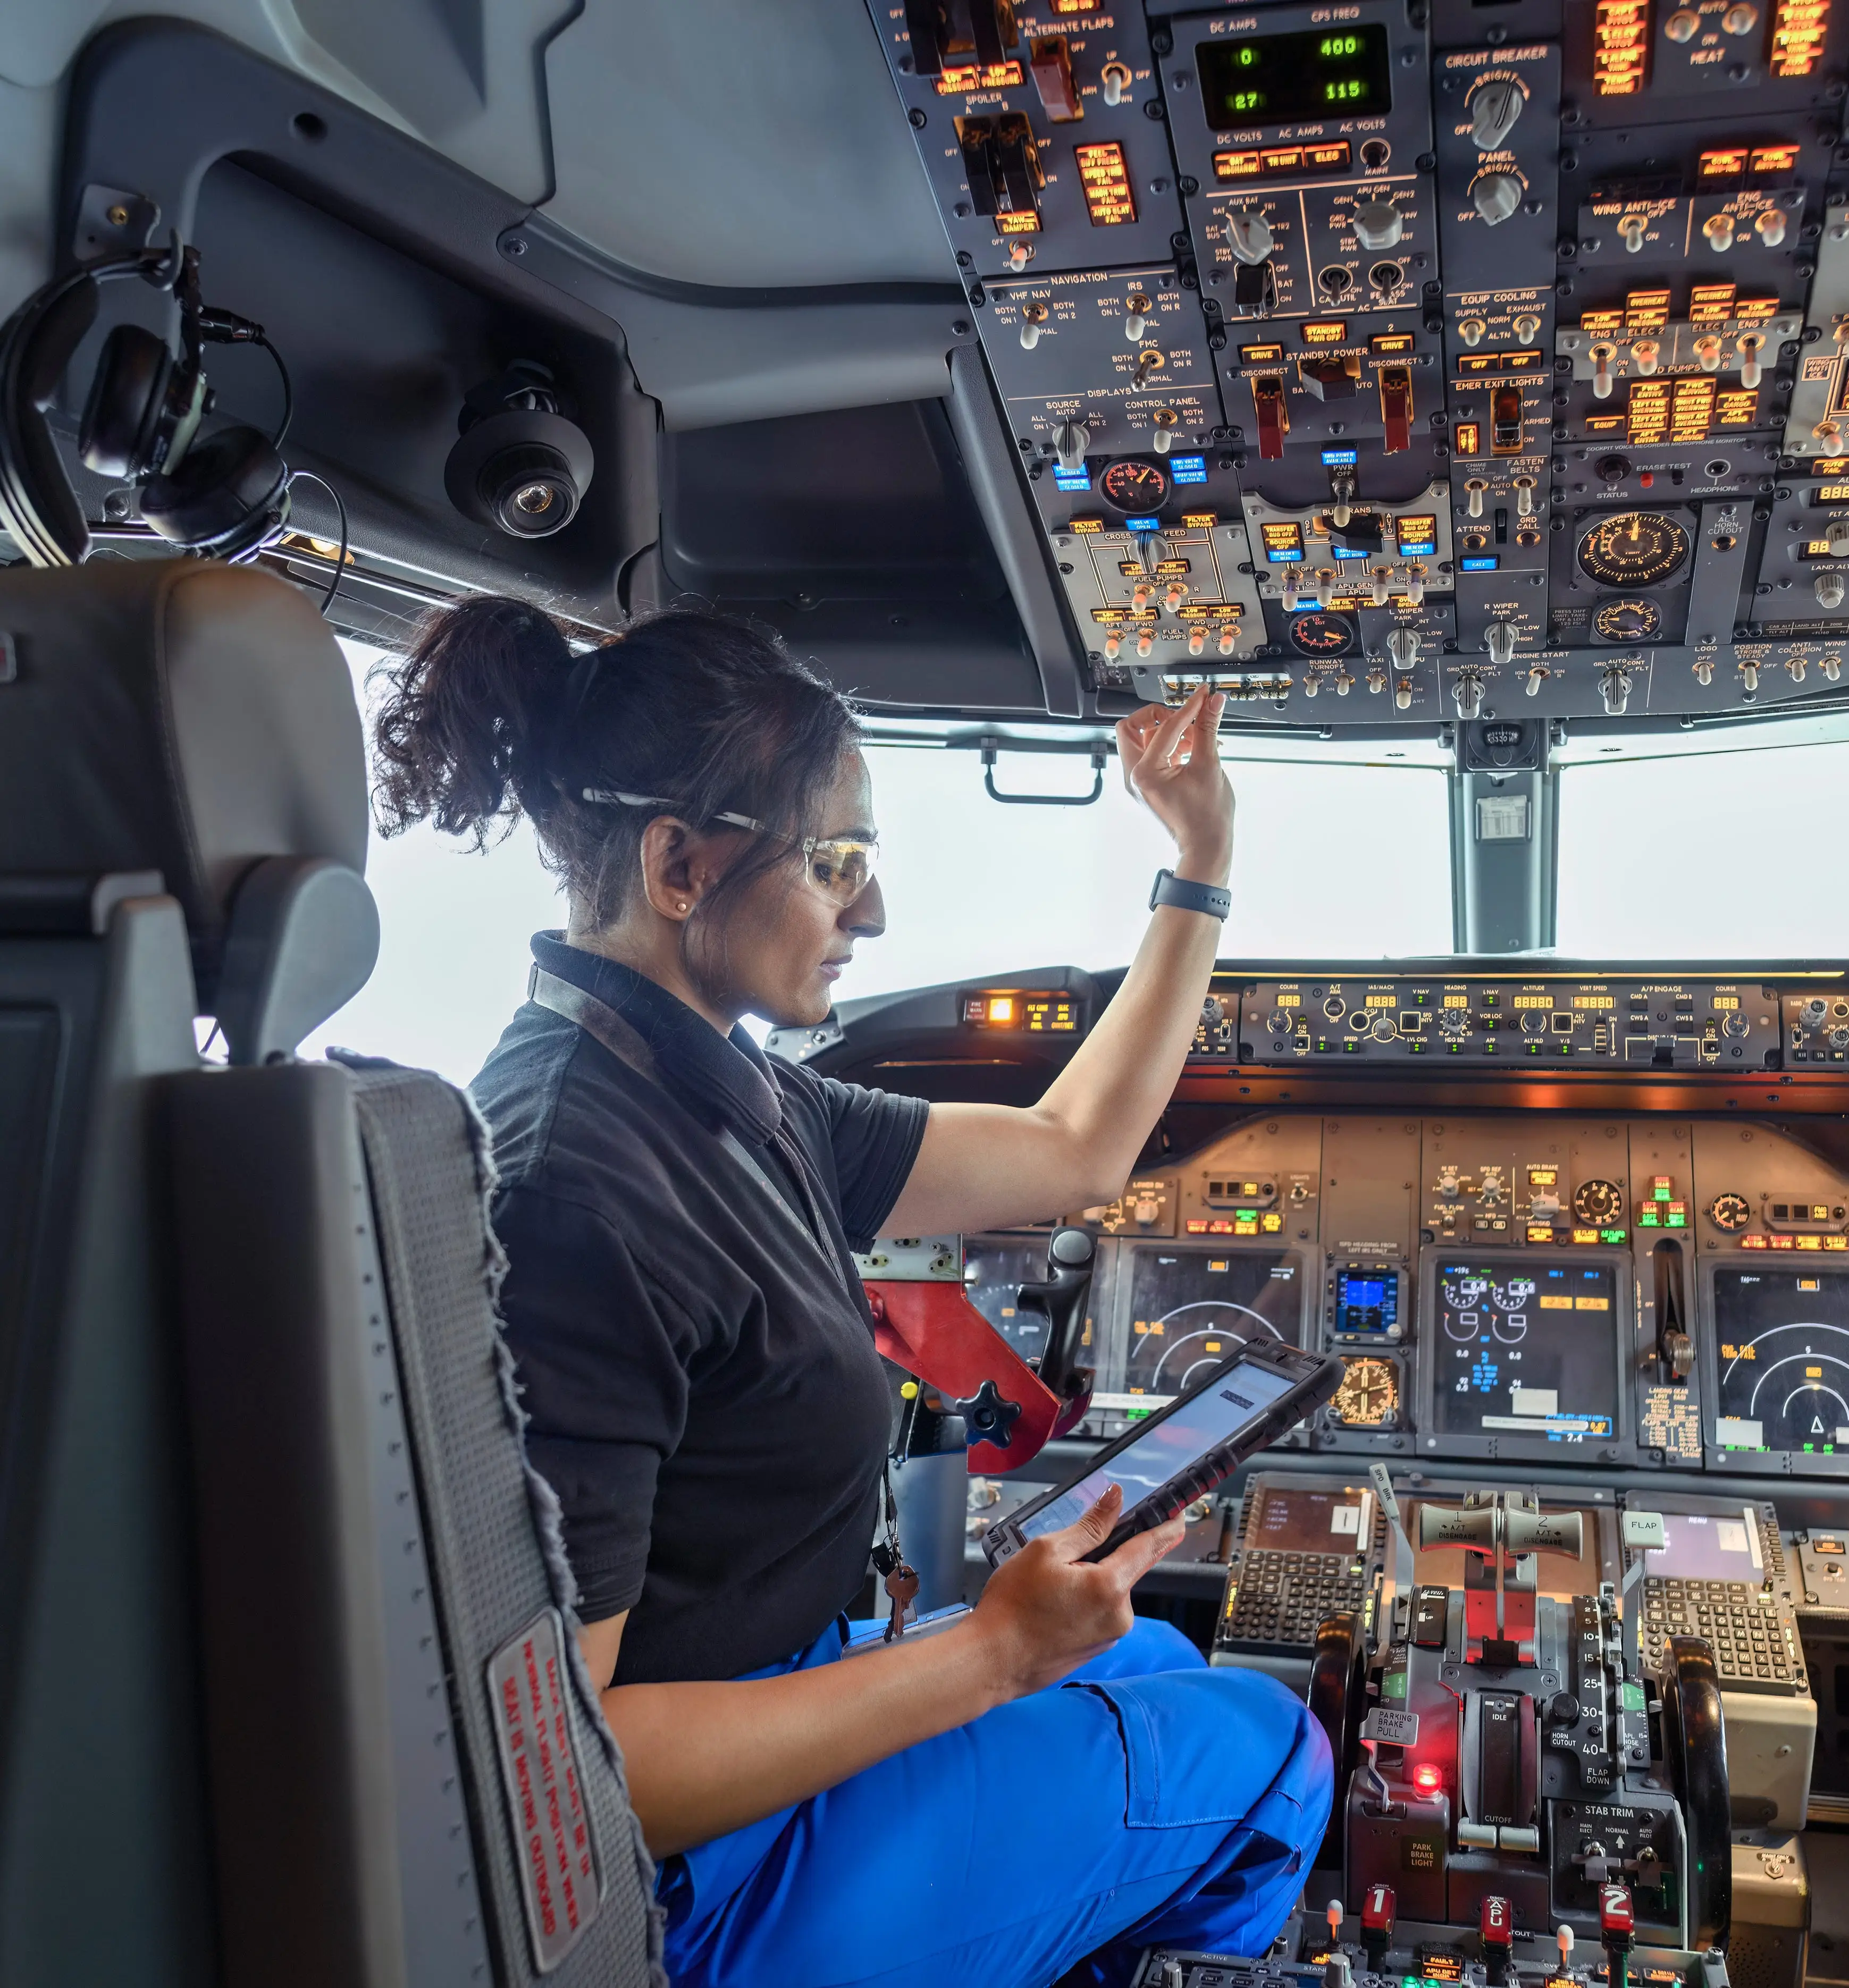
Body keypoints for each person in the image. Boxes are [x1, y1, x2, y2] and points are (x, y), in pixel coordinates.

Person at [369, 597, 1330, 1988]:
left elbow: (1075, 1152)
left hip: (799, 1686)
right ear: (680, 866)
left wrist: (1200, 859)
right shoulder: (575, 1189)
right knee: (1271, 1750)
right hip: (696, 1879)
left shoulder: (730, 1094)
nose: (871, 911)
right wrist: (992, 1653)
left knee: (1161, 1656)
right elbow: (568, 1773)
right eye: (833, 865)